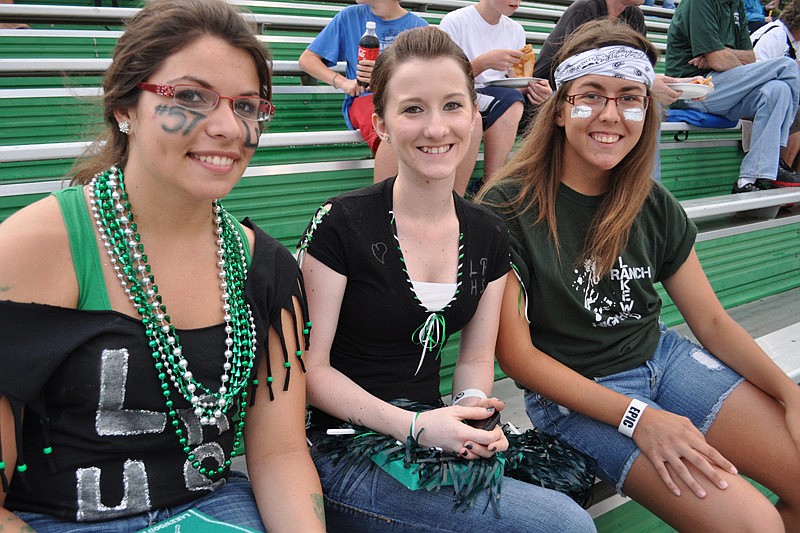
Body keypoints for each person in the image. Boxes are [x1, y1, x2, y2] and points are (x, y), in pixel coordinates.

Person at [0, 1, 325, 531]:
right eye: (190, 96)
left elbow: (280, 456)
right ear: (125, 107)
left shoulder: (267, 267)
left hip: (213, 511)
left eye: (246, 106)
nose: (227, 127)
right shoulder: (34, 249)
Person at [479, 19, 800, 532]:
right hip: (577, 392)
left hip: (663, 359)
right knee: (755, 525)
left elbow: (712, 323)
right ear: (561, 108)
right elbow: (518, 358)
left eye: (630, 97)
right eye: (592, 96)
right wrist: (639, 417)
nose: (611, 115)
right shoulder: (507, 205)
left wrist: (791, 396)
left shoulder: (650, 201)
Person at [297, 25, 596, 532]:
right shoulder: (341, 222)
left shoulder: (488, 232)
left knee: (577, 476)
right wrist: (416, 427)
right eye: (413, 109)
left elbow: (477, 359)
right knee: (563, 525)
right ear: (383, 124)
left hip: (431, 431)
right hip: (343, 447)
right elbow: (310, 369)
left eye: (453, 105)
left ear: (475, 115)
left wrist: (473, 414)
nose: (437, 129)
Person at [299, 0, 460, 189]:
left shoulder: (418, 26)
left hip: (408, 100)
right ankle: (385, 210)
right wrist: (343, 82)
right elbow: (307, 59)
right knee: (392, 130)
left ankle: (446, 200)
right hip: (367, 99)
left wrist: (387, 75)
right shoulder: (350, 16)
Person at [532, 0, 694, 182]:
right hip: (551, 94)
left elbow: (638, 72)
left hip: (594, 96)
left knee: (646, 104)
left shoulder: (635, 16)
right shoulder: (585, 8)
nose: (610, 116)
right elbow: (565, 74)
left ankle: (645, 185)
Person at [666, 0, 800, 193]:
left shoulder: (735, 4)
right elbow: (717, 60)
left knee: (778, 89)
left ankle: (748, 179)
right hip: (693, 90)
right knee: (786, 67)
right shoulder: (700, 3)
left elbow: (750, 57)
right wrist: (723, 59)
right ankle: (781, 144)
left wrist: (723, 53)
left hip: (725, 90)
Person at [438, 0, 552, 193]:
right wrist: (483, 63)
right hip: (459, 95)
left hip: (499, 98)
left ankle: (490, 188)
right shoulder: (455, 21)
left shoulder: (515, 29)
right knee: (511, 103)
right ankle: (489, 186)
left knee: (537, 104)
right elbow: (443, 80)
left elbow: (516, 82)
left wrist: (535, 88)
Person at [751, 0, 800, 172]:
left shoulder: (793, 42)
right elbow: (754, 72)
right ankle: (780, 168)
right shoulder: (776, 34)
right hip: (757, 95)